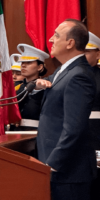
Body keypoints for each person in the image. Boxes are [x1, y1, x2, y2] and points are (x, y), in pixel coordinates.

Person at [35, 19, 96, 200]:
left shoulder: (79, 76)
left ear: (70, 43)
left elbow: (73, 129)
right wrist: (37, 86)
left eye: (56, 35)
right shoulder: (64, 70)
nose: (51, 39)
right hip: (59, 169)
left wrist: (52, 164)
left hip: (68, 171)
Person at [12, 44, 49, 131]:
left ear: (40, 67)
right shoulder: (18, 87)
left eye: (28, 62)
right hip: (14, 132)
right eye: (22, 63)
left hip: (35, 131)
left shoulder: (45, 86)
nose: (23, 65)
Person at [84, 31, 100, 200]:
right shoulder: (70, 74)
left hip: (97, 133)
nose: (84, 55)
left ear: (98, 53)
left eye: (88, 51)